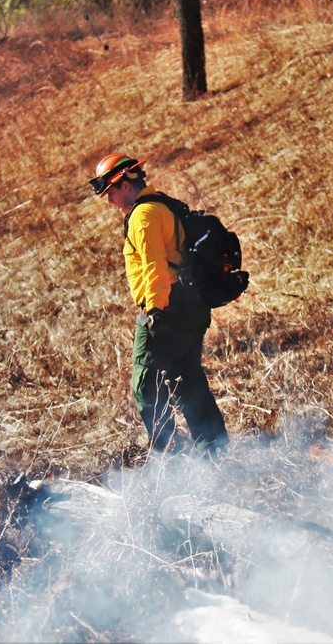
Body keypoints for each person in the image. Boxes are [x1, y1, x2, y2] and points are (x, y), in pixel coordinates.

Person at [90, 153, 229, 455]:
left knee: (145, 387)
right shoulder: (162, 205)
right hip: (191, 305)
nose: (110, 201)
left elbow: (154, 264)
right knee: (188, 379)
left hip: (165, 307)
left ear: (124, 184)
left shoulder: (142, 216)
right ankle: (215, 452)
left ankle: (169, 460)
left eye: (110, 193)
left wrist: (154, 311)